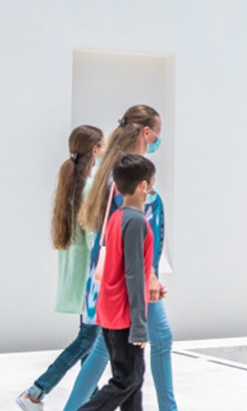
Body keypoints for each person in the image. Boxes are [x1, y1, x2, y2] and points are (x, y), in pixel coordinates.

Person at [64, 105, 176, 411]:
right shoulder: (130, 177)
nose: (158, 140)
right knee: (160, 341)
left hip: (116, 280)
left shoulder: (117, 170)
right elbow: (131, 233)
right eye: (158, 133)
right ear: (146, 132)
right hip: (133, 279)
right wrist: (149, 275)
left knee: (107, 352)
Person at [15, 126, 104, 411]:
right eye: (101, 147)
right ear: (95, 151)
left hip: (78, 277)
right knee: (88, 339)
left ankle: (92, 397)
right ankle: (36, 391)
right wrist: (104, 273)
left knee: (88, 341)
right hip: (90, 279)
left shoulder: (72, 186)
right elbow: (92, 237)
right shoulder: (88, 187)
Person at [78, 153, 157, 411]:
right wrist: (139, 325)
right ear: (143, 186)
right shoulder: (136, 222)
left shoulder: (116, 218)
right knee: (128, 379)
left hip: (110, 312)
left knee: (133, 381)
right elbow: (133, 274)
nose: (152, 191)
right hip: (124, 316)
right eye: (152, 185)